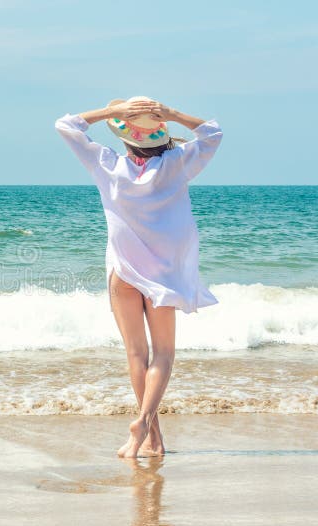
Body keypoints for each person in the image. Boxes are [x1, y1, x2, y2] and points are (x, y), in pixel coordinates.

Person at [54, 96, 223, 458]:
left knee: (136, 355)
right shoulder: (177, 164)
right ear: (160, 135)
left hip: (123, 274)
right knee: (163, 354)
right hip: (162, 279)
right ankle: (145, 425)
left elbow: (66, 126)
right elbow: (212, 134)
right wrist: (174, 115)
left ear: (126, 139)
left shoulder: (107, 165)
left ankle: (150, 438)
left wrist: (110, 113)